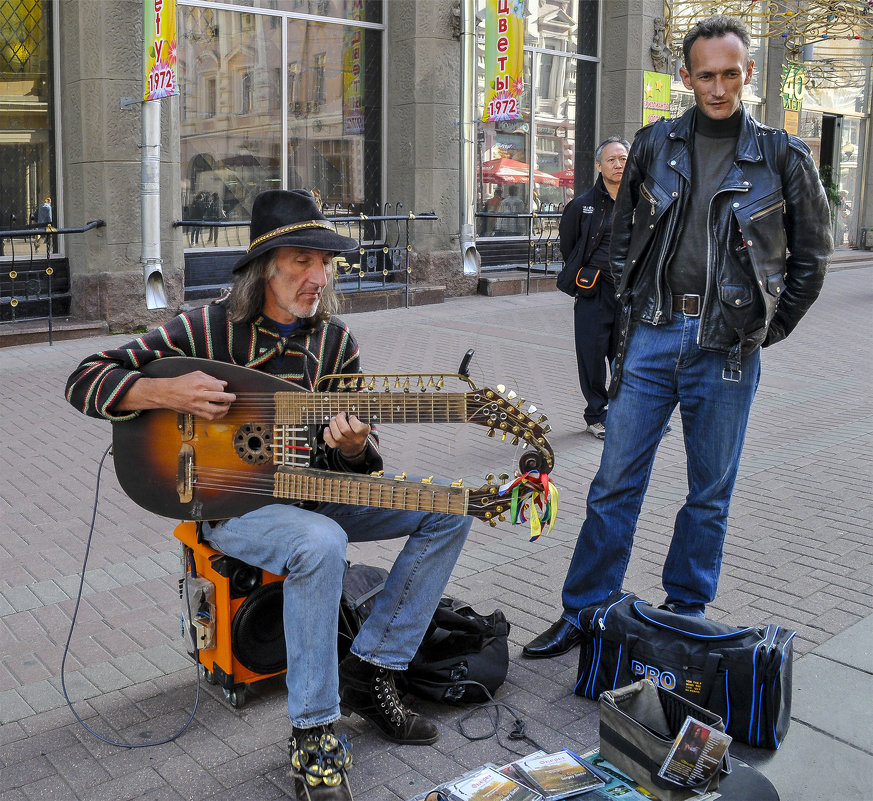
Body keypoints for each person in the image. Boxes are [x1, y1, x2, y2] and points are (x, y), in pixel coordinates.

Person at [65, 189, 473, 800]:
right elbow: (84, 377)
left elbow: (349, 466)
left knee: (451, 508)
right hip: (231, 504)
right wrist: (165, 394)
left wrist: (355, 446)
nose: (318, 277)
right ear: (265, 265)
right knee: (321, 542)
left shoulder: (335, 345)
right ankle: (313, 729)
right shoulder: (206, 328)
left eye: (325, 263)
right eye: (302, 261)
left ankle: (373, 668)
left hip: (312, 491)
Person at [523, 15, 832, 658]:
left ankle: (683, 613)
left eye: (729, 74)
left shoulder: (783, 155)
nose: (717, 87)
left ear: (747, 73)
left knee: (709, 490)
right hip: (654, 335)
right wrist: (631, 313)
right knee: (614, 482)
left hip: (727, 348)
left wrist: (763, 331)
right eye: (705, 75)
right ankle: (586, 613)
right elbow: (622, 236)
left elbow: (811, 260)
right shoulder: (655, 143)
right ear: (687, 77)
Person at [558, 136, 630, 439]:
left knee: (627, 355)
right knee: (592, 355)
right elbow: (569, 247)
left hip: (629, 292)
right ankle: (596, 414)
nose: (618, 164)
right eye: (611, 159)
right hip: (593, 291)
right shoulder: (582, 205)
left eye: (623, 158)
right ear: (599, 166)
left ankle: (628, 413)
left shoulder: (642, 202)